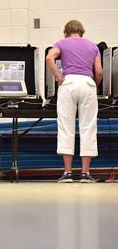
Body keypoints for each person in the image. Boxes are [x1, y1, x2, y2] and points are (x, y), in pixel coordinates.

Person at [46, 20, 103, 183]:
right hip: (87, 83)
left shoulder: (62, 43)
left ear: (66, 32)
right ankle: (85, 173)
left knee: (66, 126)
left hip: (68, 83)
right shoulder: (93, 46)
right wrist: (95, 86)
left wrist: (58, 77)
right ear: (82, 32)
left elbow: (49, 57)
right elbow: (99, 71)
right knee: (88, 127)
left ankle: (68, 173)